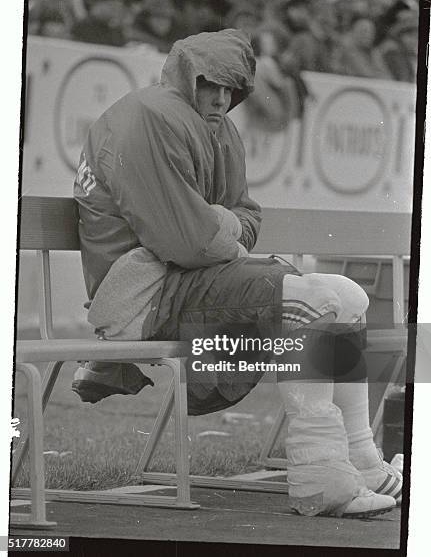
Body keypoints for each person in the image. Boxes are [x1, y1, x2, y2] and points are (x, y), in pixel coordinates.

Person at [72, 29, 401, 517]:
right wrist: (220, 224)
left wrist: (218, 223)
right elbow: (188, 239)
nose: (222, 99)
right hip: (139, 295)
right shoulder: (149, 116)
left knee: (347, 296)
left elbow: (245, 218)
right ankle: (320, 477)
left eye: (231, 90)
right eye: (211, 85)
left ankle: (361, 461)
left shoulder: (217, 127)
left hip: (183, 283)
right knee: (316, 302)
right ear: (187, 77)